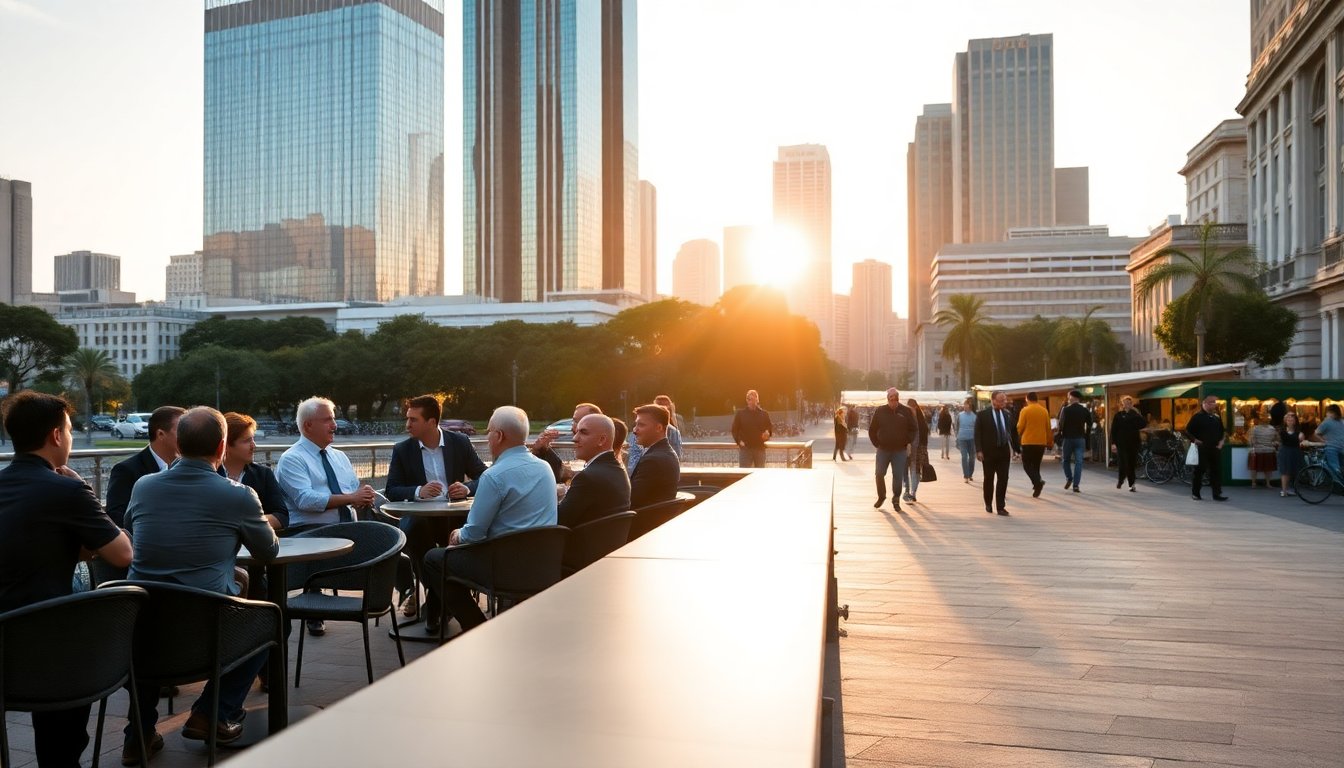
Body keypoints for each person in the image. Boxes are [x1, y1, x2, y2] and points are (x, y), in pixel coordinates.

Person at [123, 407, 279, 757]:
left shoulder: (143, 486)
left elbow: (131, 527)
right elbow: (268, 552)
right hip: (206, 632)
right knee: (267, 624)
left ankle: (139, 735)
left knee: (151, 626)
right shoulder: (238, 494)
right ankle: (212, 713)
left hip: (139, 625)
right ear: (223, 446)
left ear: (178, 444)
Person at [0, 391, 133, 768]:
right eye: (71, 430)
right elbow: (123, 554)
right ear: (56, 436)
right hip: (44, 648)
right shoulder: (67, 488)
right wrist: (83, 490)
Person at [421, 406, 557, 637]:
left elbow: (474, 533)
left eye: (489, 431)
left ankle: (475, 627)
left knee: (435, 559)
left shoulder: (494, 476)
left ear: (499, 436)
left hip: (504, 567)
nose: (486, 437)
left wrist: (457, 535)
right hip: (543, 563)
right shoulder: (544, 468)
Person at [384, 394, 488, 626]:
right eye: (407, 419)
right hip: (420, 518)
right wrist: (418, 491)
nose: (407, 425)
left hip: (454, 517)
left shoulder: (459, 442)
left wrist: (467, 487)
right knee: (413, 529)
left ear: (432, 422)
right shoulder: (402, 449)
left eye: (413, 420)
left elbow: (484, 476)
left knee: (469, 532)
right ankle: (440, 596)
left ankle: (435, 600)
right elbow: (392, 489)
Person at [276, 396, 376, 635]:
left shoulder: (339, 456)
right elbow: (306, 500)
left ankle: (406, 594)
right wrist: (352, 498)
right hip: (309, 532)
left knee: (394, 543)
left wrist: (363, 496)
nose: (335, 425)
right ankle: (314, 603)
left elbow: (351, 491)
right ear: (308, 425)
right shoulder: (292, 458)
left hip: (346, 529)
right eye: (328, 420)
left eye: (333, 419)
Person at [104, 405, 185, 526]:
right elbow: (116, 518)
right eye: (182, 431)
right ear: (161, 434)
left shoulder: (189, 467)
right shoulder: (126, 470)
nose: (188, 436)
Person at [557, 413, 631, 528]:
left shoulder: (588, 477)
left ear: (601, 440)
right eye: (576, 432)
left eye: (583, 432)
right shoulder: (618, 469)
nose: (574, 438)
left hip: (580, 544)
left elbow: (559, 520)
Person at [220, 412, 289, 531]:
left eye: (253, 439)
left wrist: (243, 524)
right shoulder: (208, 473)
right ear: (226, 446)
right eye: (247, 441)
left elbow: (282, 517)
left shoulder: (263, 474)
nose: (254, 445)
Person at [868, 388, 915, 513]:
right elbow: (872, 429)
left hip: (899, 450)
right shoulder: (880, 411)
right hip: (883, 449)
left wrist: (907, 440)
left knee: (898, 476)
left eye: (896, 399)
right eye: (891, 399)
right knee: (879, 473)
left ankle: (896, 499)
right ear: (887, 399)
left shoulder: (905, 411)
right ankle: (881, 496)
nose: (894, 402)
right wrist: (877, 443)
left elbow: (913, 429)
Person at [975, 390, 1020, 516]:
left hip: (1003, 451)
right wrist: (979, 450)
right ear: (993, 400)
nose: (1004, 402)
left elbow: (1013, 432)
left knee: (1003, 478)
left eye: (1005, 400)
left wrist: (1017, 449)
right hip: (988, 452)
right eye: (1001, 400)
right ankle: (988, 503)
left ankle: (1001, 506)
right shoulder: (982, 415)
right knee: (988, 479)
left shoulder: (1007, 414)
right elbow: (977, 434)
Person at [534, 402, 602, 482]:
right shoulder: (596, 462)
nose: (572, 428)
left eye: (578, 422)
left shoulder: (600, 467)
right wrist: (541, 450)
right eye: (573, 421)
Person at [629, 403, 681, 509]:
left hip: (643, 522)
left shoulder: (653, 460)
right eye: (636, 425)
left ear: (659, 427)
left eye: (641, 425)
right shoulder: (666, 453)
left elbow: (632, 499)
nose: (635, 430)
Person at [1184, 394, 1228, 501]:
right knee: (1199, 471)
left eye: (1215, 402)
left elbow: (1223, 432)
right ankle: (1196, 493)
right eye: (1212, 402)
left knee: (1216, 471)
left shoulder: (1216, 417)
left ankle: (1217, 494)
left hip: (1215, 448)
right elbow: (1187, 431)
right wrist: (1194, 440)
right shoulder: (1197, 417)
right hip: (1202, 448)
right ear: (1205, 404)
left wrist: (1222, 441)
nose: (1214, 404)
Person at [628, 395, 684, 474]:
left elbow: (632, 463)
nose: (635, 429)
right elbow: (677, 457)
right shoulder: (674, 432)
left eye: (641, 424)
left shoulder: (637, 434)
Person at [1016, 392, 1052, 498]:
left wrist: (1018, 434)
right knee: (1036, 465)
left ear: (1027, 399)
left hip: (1028, 441)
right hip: (1041, 442)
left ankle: (1038, 482)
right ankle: (1037, 487)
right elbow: (1048, 427)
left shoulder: (1025, 410)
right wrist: (1049, 441)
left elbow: (1020, 426)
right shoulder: (1044, 411)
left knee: (1026, 464)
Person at [1109, 396, 1146, 493]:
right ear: (1122, 404)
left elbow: (1143, 424)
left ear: (1132, 404)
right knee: (1123, 462)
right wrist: (1113, 443)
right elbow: (1114, 430)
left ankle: (1132, 484)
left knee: (1131, 464)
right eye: (1125, 402)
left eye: (1129, 403)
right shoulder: (1118, 415)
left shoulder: (1135, 414)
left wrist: (1137, 414)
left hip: (1133, 442)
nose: (1127, 404)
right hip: (1121, 442)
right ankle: (1121, 479)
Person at [1058, 390, 1092, 494]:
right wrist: (1086, 436)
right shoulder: (1085, 410)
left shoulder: (1065, 410)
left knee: (1065, 460)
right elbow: (1090, 423)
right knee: (1079, 462)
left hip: (1068, 438)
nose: (1068, 398)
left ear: (1072, 397)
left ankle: (1069, 478)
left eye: (1069, 396)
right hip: (1080, 438)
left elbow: (1061, 424)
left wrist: (1060, 434)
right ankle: (1076, 485)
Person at [731, 389, 773, 468]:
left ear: (757, 400)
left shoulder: (764, 414)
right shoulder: (740, 414)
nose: (752, 401)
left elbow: (769, 427)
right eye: (749, 399)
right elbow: (734, 430)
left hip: (760, 449)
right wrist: (739, 441)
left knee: (759, 475)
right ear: (747, 400)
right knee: (743, 474)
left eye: (754, 399)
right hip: (745, 449)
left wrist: (767, 432)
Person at [903, 398, 929, 503]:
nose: (911, 410)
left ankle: (913, 492)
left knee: (915, 470)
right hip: (908, 448)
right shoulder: (907, 418)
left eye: (912, 408)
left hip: (918, 449)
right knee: (907, 470)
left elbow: (924, 435)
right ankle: (908, 491)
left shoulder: (920, 419)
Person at [1310, 403, 1344, 479]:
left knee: (1334, 467)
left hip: (1331, 447)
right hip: (1342, 447)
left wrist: (1322, 440)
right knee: (1341, 467)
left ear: (1331, 412)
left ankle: (1339, 485)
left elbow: (1315, 434)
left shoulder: (1327, 422)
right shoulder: (1342, 421)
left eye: (1327, 412)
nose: (1326, 414)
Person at [1277, 411, 1305, 498]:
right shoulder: (1282, 431)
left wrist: (1300, 437)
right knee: (1285, 471)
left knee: (1295, 470)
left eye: (1292, 420)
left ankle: (1292, 489)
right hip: (1285, 452)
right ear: (1285, 421)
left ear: (1295, 421)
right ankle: (1284, 490)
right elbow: (1281, 440)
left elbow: (1300, 439)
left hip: (1295, 452)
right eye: (1288, 420)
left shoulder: (1299, 432)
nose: (1290, 421)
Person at [1247, 417, 1279, 489]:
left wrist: (1255, 444)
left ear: (1259, 421)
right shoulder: (1272, 429)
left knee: (1254, 468)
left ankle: (1253, 483)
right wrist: (1271, 443)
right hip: (1269, 450)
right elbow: (1277, 440)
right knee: (1268, 468)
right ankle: (1268, 483)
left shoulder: (1254, 429)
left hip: (1257, 450)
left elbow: (1251, 441)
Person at [955, 398, 977, 483]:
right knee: (964, 457)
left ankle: (970, 473)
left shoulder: (974, 416)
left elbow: (977, 429)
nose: (965, 406)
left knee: (972, 458)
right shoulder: (960, 415)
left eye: (967, 405)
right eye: (964, 405)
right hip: (962, 438)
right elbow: (957, 426)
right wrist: (957, 437)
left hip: (972, 439)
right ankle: (966, 475)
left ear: (970, 406)